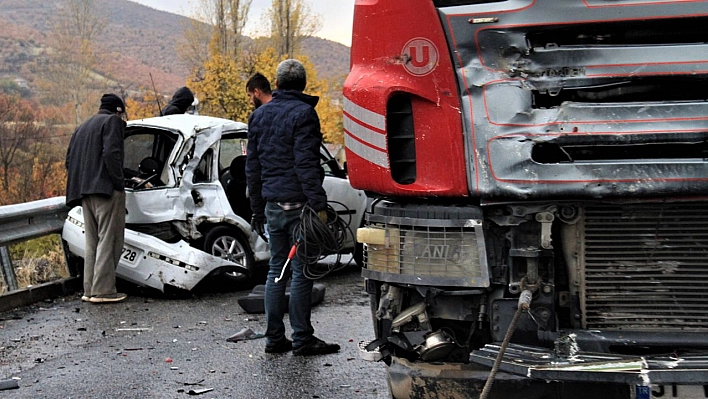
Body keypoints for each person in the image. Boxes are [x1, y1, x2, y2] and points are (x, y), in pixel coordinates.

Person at [245, 59, 340, 356]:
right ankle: (302, 339)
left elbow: (253, 167)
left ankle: (274, 339)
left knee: (276, 269)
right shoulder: (304, 113)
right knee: (300, 271)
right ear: (302, 84)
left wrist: (258, 209)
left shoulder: (258, 116)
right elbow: (306, 164)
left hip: (273, 206)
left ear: (277, 83)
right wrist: (319, 205)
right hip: (300, 208)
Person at [65, 94, 128, 304]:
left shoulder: (82, 127)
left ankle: (89, 290)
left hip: (84, 192)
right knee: (109, 240)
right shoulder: (113, 122)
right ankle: (104, 291)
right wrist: (119, 181)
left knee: (92, 242)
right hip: (107, 191)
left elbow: (69, 160)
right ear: (117, 110)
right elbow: (111, 153)